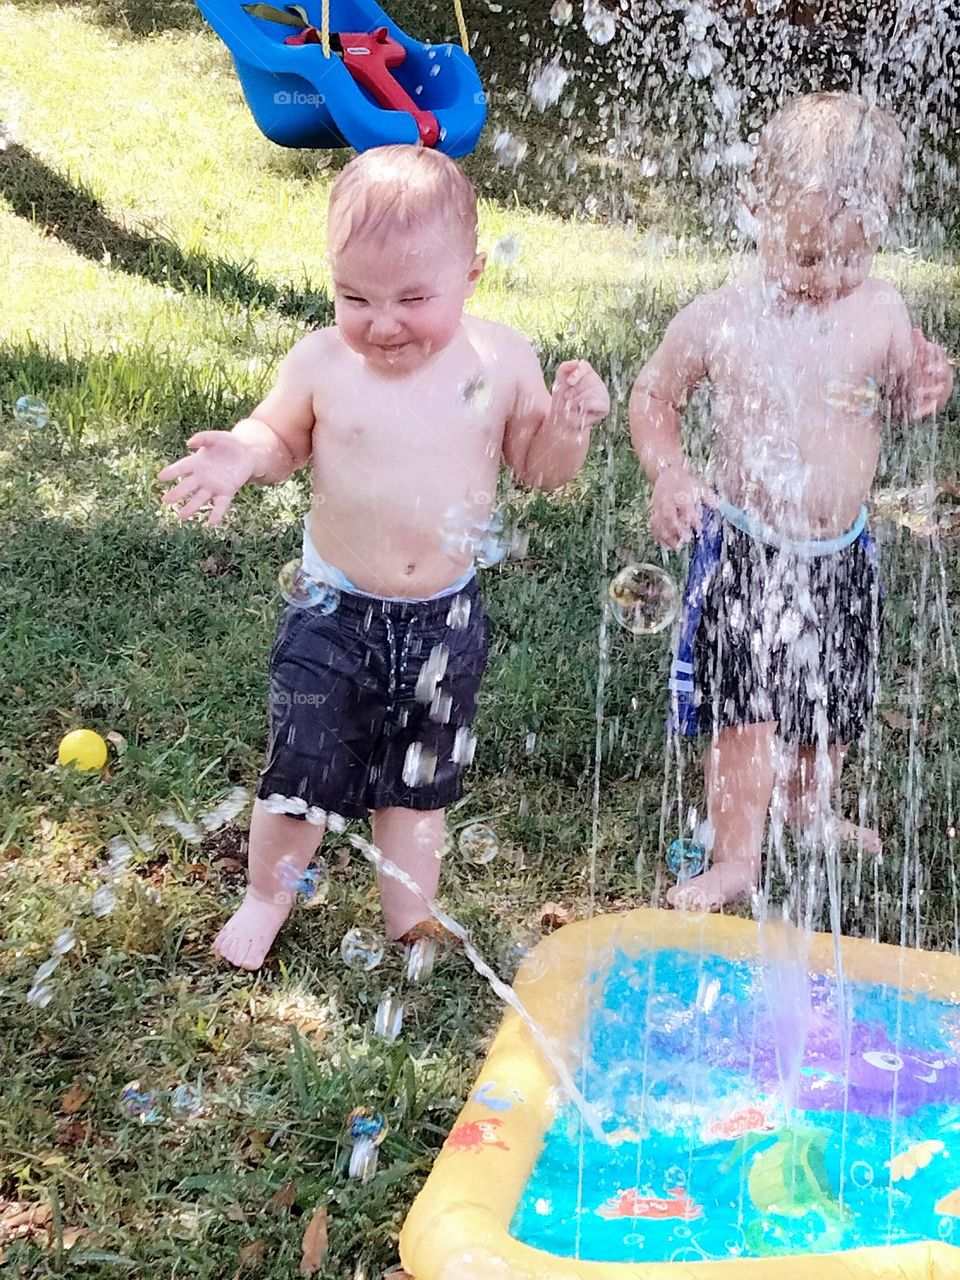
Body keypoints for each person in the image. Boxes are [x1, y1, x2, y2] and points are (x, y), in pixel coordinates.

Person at [159, 144, 609, 968]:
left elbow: (540, 473)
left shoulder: (504, 361)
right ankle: (266, 898)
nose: (383, 322)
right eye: (354, 296)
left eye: (413, 297)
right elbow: (278, 437)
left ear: (471, 274)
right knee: (302, 769)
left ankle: (411, 914)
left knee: (419, 779)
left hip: (446, 615)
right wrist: (242, 453)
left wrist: (570, 425)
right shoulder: (323, 363)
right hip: (333, 612)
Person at [629, 92, 953, 912]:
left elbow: (909, 384)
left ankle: (810, 807)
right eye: (809, 258)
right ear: (756, 211)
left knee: (834, 702)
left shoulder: (880, 307)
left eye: (855, 255)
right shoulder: (724, 318)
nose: (830, 278)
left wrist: (927, 384)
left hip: (843, 549)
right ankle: (736, 854)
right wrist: (671, 471)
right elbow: (654, 392)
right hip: (748, 545)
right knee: (747, 711)